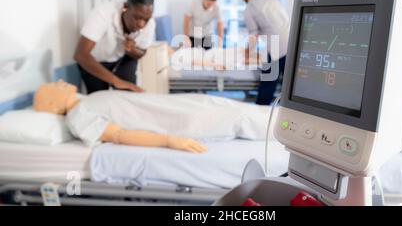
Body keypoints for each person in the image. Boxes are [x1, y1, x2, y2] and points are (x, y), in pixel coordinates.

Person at [32, 81, 273, 152]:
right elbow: (119, 135)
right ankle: (297, 132)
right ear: (52, 104)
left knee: (231, 106)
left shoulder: (85, 100)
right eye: (54, 84)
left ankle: (290, 117)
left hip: (176, 105)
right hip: (174, 120)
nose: (61, 80)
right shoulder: (77, 116)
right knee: (239, 118)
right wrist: (169, 140)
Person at [74, 0, 155, 94]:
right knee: (100, 98)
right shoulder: (103, 14)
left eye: (146, 19)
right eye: (137, 17)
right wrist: (116, 81)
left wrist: (132, 50)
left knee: (129, 93)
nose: (141, 24)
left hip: (123, 58)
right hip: (95, 60)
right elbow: (80, 55)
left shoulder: (150, 23)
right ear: (126, 7)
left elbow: (142, 52)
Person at [238, 0, 290, 105]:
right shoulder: (273, 0)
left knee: (268, 83)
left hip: (276, 49)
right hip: (291, 43)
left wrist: (246, 54)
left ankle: (260, 111)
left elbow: (253, 36)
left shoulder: (250, 8)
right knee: (290, 84)